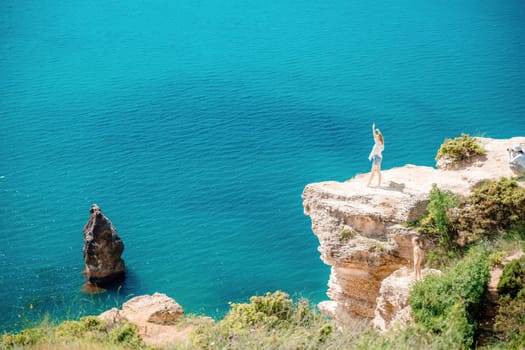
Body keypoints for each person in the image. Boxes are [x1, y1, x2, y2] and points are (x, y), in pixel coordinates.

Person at [367, 123, 384, 187]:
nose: (376, 137)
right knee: (378, 172)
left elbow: (374, 135)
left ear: (378, 138)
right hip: (379, 157)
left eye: (377, 136)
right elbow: (380, 136)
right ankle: (378, 185)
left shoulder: (377, 143)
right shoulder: (382, 144)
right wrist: (379, 131)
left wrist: (373, 128)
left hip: (376, 158)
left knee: (373, 171)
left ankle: (368, 183)